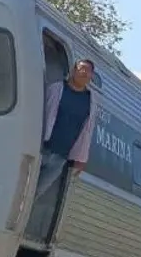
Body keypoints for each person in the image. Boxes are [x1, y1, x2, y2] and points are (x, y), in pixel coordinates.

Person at [34, 59, 100, 200]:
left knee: (36, 193)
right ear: (73, 70)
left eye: (88, 71)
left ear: (91, 76)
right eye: (81, 68)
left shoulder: (91, 101)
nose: (84, 72)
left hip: (60, 158)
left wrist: (81, 158)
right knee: (23, 185)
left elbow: (87, 131)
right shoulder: (56, 89)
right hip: (40, 147)